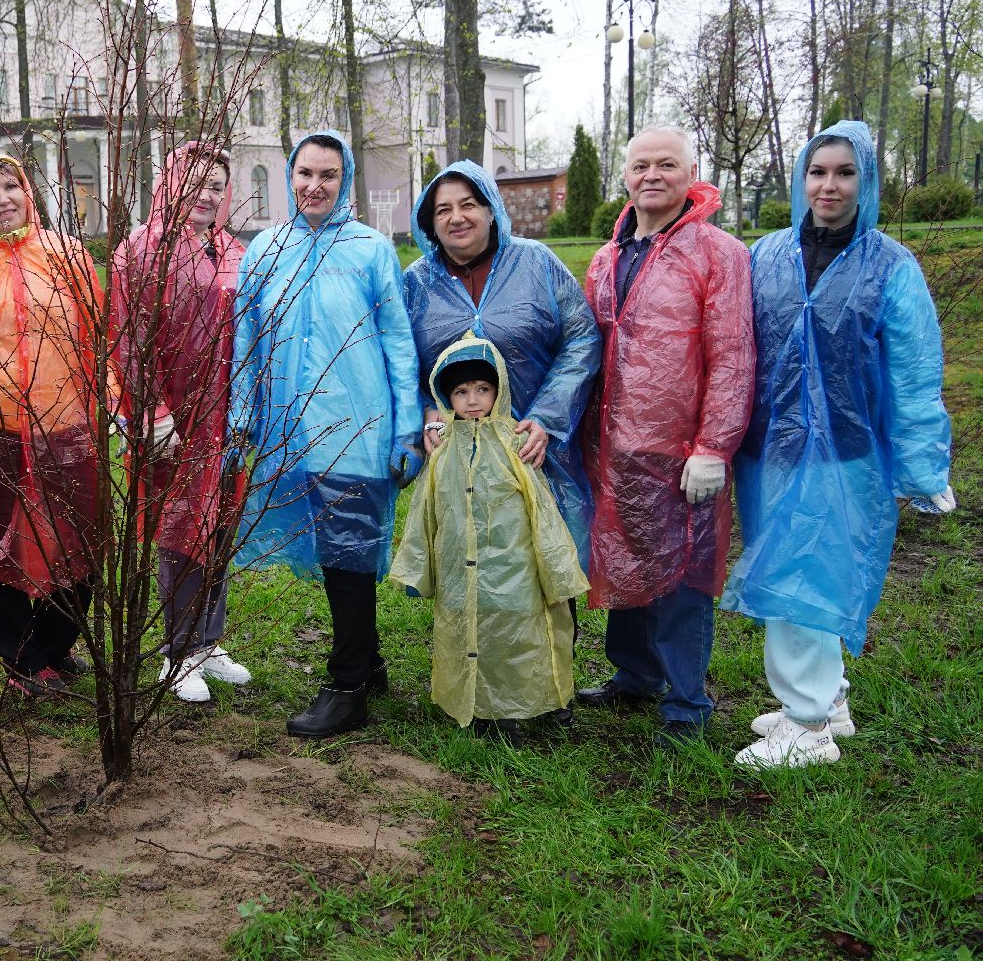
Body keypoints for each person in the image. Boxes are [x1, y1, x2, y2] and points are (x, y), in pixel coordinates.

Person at [724, 120, 954, 768]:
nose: (829, 185)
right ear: (801, 179)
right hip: (771, 447)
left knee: (807, 577)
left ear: (867, 181)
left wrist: (922, 465)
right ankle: (829, 700)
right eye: (818, 171)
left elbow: (914, 372)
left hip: (846, 451)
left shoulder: (891, 267)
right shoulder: (765, 255)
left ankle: (807, 727)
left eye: (845, 172)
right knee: (792, 571)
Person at [229, 131, 422, 739]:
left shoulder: (370, 251)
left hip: (359, 426)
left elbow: (398, 342)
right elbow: (247, 342)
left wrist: (407, 429)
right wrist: (242, 415)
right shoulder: (264, 250)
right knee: (335, 551)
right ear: (291, 174)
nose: (315, 186)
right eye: (306, 173)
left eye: (329, 175)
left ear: (346, 180)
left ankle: (347, 685)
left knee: (349, 553)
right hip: (291, 428)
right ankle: (367, 661)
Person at [577, 126, 755, 749]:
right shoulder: (607, 257)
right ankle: (635, 674)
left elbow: (732, 355)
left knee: (682, 572)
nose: (652, 175)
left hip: (681, 449)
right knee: (623, 558)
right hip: (614, 443)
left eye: (667, 165)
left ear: (690, 173)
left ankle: (686, 701)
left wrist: (714, 447)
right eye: (640, 165)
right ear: (625, 174)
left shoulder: (718, 253)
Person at [0, 154, 103, 693]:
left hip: (65, 424)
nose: (3, 199)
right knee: (0, 546)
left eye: (12, 186)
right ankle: (25, 662)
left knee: (79, 540)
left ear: (29, 190)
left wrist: (115, 405)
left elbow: (98, 335)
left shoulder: (66, 255)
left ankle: (59, 644)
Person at [391, 337, 589, 746]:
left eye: (482, 389)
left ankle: (524, 702)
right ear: (447, 397)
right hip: (458, 565)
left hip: (513, 561)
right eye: (461, 392)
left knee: (517, 630)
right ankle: (478, 706)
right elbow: (426, 507)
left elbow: (542, 509)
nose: (473, 400)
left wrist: (554, 566)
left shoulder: (515, 444)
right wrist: (419, 563)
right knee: (464, 627)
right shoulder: (444, 449)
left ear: (498, 390)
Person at [402, 161, 600, 563]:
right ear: (430, 222)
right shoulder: (415, 283)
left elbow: (581, 338)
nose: (457, 217)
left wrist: (547, 416)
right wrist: (424, 409)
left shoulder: (537, 263)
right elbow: (400, 360)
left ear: (491, 209)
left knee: (543, 565)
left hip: (534, 445)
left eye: (469, 204)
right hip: (458, 453)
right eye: (443, 210)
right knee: (469, 561)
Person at [110, 142, 251, 703]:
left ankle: (207, 639)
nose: (207, 193)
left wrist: (247, 410)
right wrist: (152, 413)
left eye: (217, 184)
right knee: (178, 529)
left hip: (227, 418)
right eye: (196, 180)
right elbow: (127, 339)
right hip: (172, 421)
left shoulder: (233, 250)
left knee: (218, 523)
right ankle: (177, 651)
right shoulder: (140, 251)